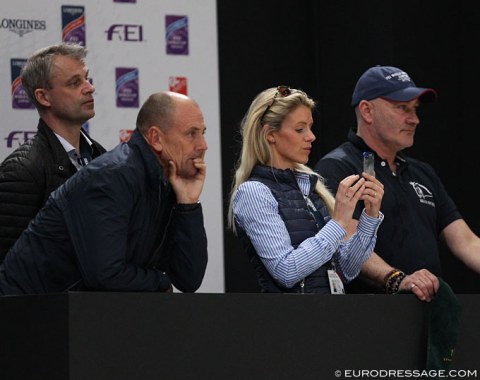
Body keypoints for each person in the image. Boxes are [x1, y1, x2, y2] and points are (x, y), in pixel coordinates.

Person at [0, 91, 208, 295]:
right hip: (23, 313)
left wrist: (188, 205)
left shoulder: (166, 180)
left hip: (72, 314)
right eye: (191, 133)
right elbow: (106, 274)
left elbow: (188, 279)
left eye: (203, 133)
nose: (203, 145)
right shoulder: (111, 177)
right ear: (156, 138)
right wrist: (160, 281)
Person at [314, 65, 480, 301]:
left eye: (415, 109)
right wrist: (397, 279)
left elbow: (466, 242)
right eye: (402, 108)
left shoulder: (422, 172)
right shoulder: (338, 167)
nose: (415, 120)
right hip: (371, 316)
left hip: (428, 312)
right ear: (367, 111)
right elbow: (346, 240)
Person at [228, 86, 385, 293]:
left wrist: (370, 215)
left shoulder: (311, 188)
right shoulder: (254, 193)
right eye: (300, 129)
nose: (311, 137)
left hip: (327, 317)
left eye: (310, 127)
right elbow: (286, 271)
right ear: (270, 134)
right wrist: (338, 222)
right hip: (291, 321)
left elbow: (346, 270)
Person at [0, 43, 106, 263]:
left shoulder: (101, 157)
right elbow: (10, 271)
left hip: (99, 297)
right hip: (52, 298)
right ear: (44, 97)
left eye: (86, 78)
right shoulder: (22, 170)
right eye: (75, 83)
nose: (89, 88)